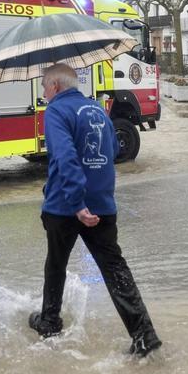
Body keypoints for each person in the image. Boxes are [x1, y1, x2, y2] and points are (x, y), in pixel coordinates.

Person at [29, 63, 162, 356]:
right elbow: (113, 151)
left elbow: (65, 157)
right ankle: (144, 335)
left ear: (55, 86)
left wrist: (77, 204)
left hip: (65, 207)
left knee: (56, 265)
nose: (43, 93)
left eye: (44, 86)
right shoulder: (97, 110)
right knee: (115, 269)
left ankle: (49, 322)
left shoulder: (56, 111)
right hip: (103, 205)